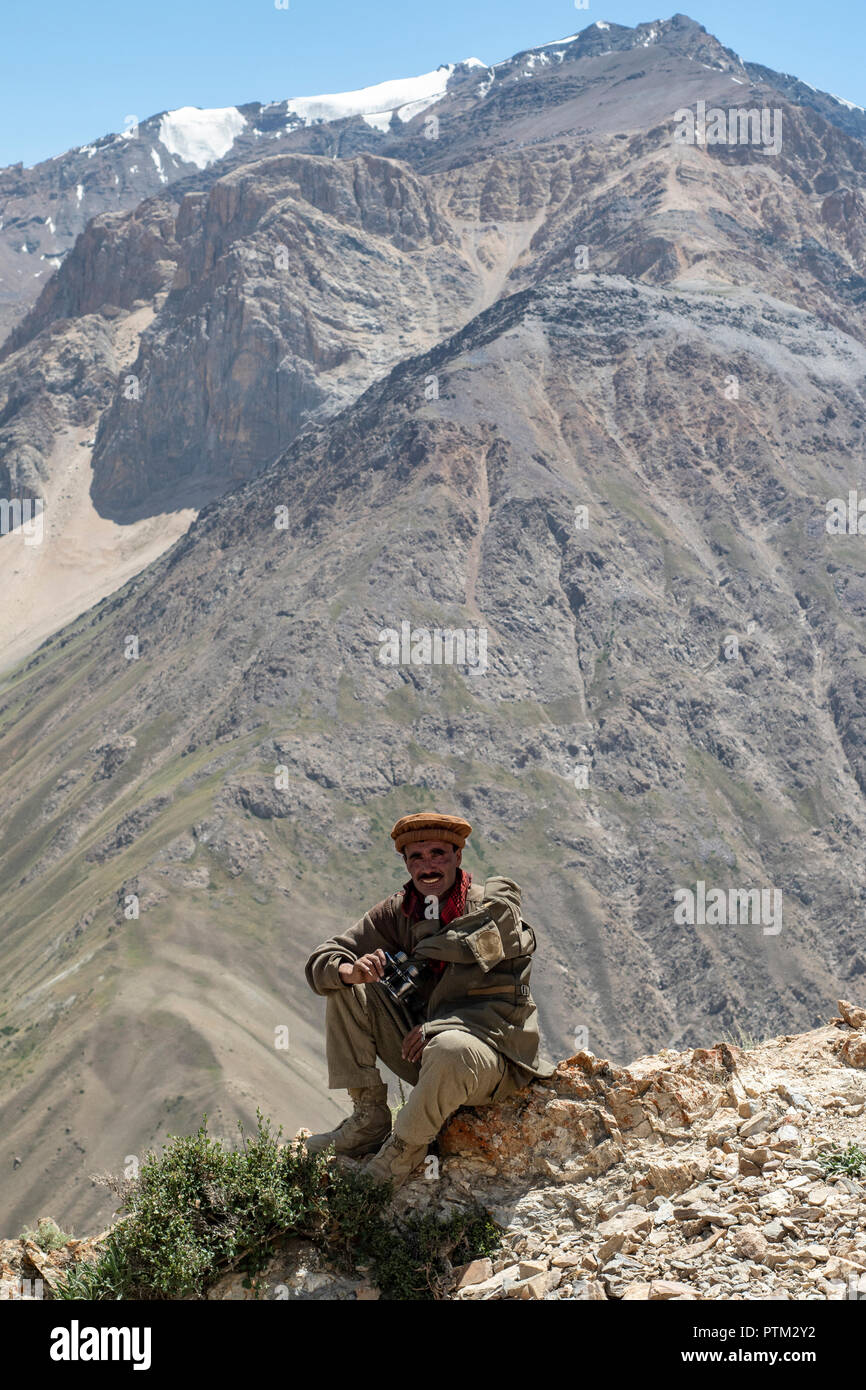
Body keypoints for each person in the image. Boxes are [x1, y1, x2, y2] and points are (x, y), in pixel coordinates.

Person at [302, 812, 555, 1190]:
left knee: (450, 1047)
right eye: (416, 857)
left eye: (438, 853)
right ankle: (368, 1117)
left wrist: (441, 1027)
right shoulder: (398, 911)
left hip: (490, 1057)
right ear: (406, 864)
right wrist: (351, 971)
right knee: (349, 987)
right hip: (424, 1052)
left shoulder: (490, 912)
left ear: (457, 856)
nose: (427, 866)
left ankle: (402, 1151)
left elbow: (507, 1010)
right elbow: (323, 958)